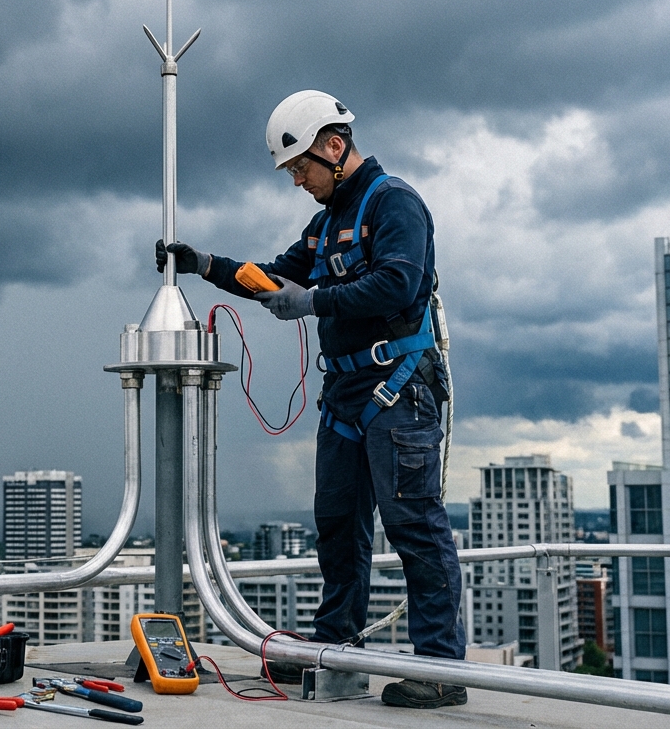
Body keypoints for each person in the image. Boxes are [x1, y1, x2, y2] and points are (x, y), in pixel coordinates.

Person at [155, 90, 467, 709]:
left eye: (301, 167)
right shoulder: (325, 226)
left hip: (396, 389)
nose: (297, 180)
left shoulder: (394, 203)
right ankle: (336, 655)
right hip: (347, 396)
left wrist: (315, 300)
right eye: (291, 172)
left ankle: (440, 669)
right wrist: (206, 263)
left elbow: (397, 282)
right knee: (336, 527)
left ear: (334, 145)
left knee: (412, 525)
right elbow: (275, 278)